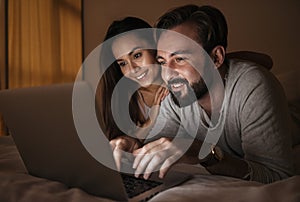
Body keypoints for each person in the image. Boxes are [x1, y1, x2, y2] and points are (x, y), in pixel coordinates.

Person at [132, 4, 296, 183]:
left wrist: (204, 153)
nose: (167, 75)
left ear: (216, 58)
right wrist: (131, 145)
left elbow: (277, 177)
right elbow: (154, 149)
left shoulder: (253, 87)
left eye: (180, 59)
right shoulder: (175, 96)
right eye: (163, 61)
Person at [96, 17, 168, 170]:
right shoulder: (129, 98)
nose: (132, 69)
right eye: (122, 63)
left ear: (154, 47)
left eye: (137, 55)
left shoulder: (183, 83)